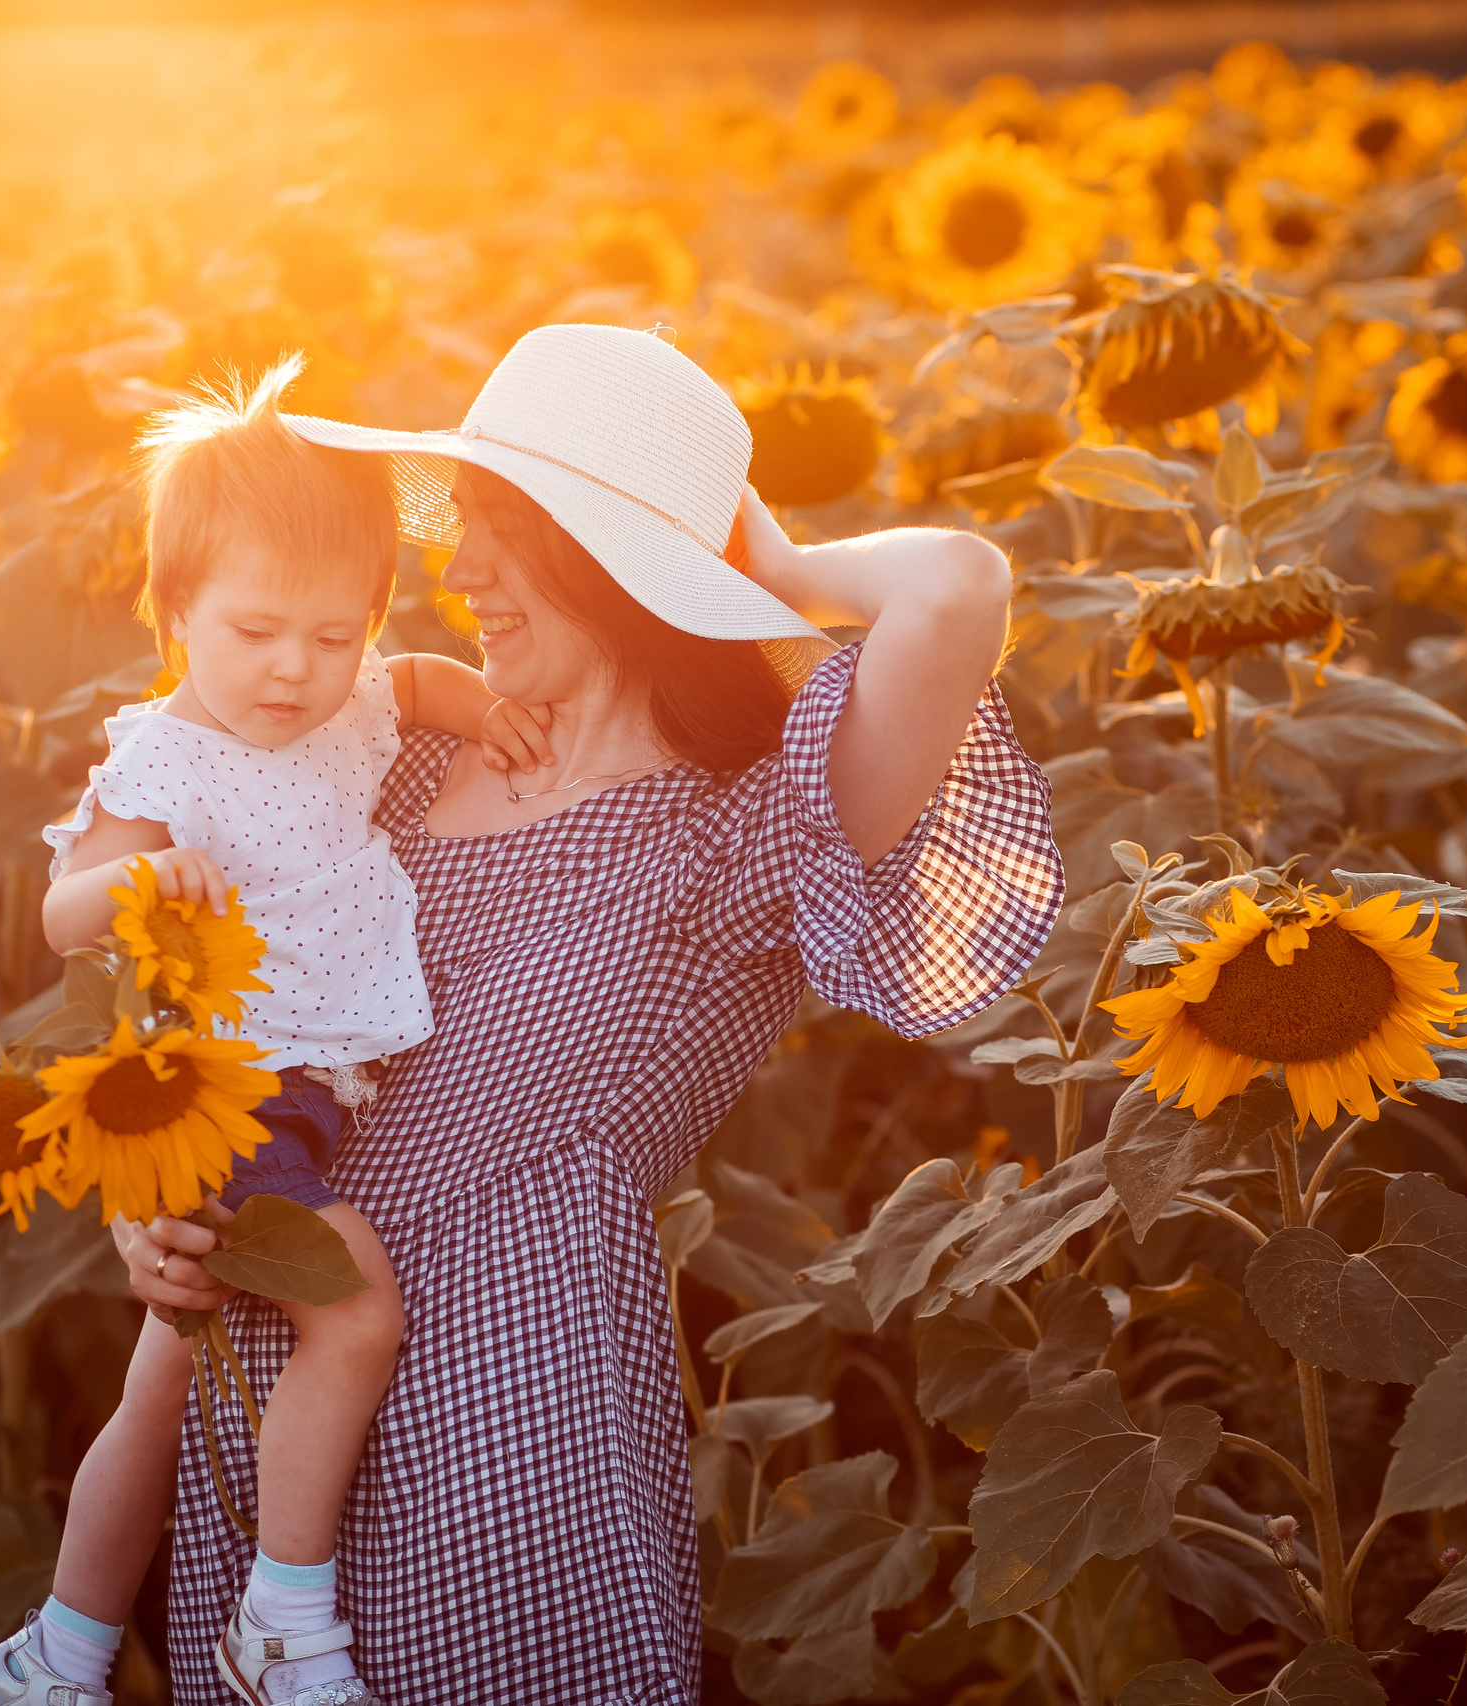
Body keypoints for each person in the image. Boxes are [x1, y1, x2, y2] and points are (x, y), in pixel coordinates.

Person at [122, 321, 1066, 1705]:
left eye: (504, 526)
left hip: (514, 1444)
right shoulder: (387, 760)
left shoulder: (744, 830)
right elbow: (201, 1023)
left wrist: (782, 569)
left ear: (613, 553)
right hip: (276, 1422)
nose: (460, 568)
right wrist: (152, 1208)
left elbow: (960, 592)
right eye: (467, 523)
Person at [0, 357, 545, 1706]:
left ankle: (59, 1651)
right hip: (229, 1095)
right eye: (259, 630)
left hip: (308, 1085)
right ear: (177, 611)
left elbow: (421, 682)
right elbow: (58, 913)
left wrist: (494, 712)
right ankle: (285, 1616)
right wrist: (143, 880)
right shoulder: (162, 757)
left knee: (155, 1398)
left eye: (332, 634)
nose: (297, 669)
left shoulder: (354, 699)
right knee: (356, 1316)